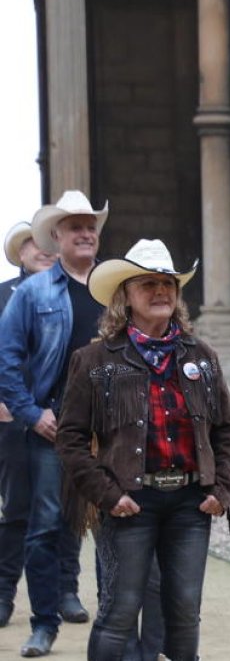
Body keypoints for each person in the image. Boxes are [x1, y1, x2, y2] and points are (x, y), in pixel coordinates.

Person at [55, 238, 230, 660]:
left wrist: (222, 490)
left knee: (184, 612)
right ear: (126, 296)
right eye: (148, 284)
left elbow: (227, 430)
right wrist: (108, 495)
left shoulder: (202, 356)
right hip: (129, 504)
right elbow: (70, 439)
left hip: (191, 505)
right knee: (118, 612)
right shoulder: (95, 359)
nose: (161, 292)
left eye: (168, 285)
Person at [0, 191, 110, 656]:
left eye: (90, 225)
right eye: (75, 227)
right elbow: (6, 359)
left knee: (115, 524)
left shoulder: (118, 288)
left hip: (112, 431)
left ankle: (114, 620)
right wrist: (29, 412)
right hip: (55, 427)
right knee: (44, 526)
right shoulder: (32, 293)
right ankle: (44, 624)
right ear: (57, 236)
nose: (85, 233)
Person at [0, 221, 57, 629]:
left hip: (59, 421)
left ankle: (66, 593)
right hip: (12, 419)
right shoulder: (3, 295)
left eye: (49, 243)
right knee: (16, 510)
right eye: (34, 244)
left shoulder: (74, 294)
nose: (43, 249)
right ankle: (3, 595)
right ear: (20, 251)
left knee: (65, 512)